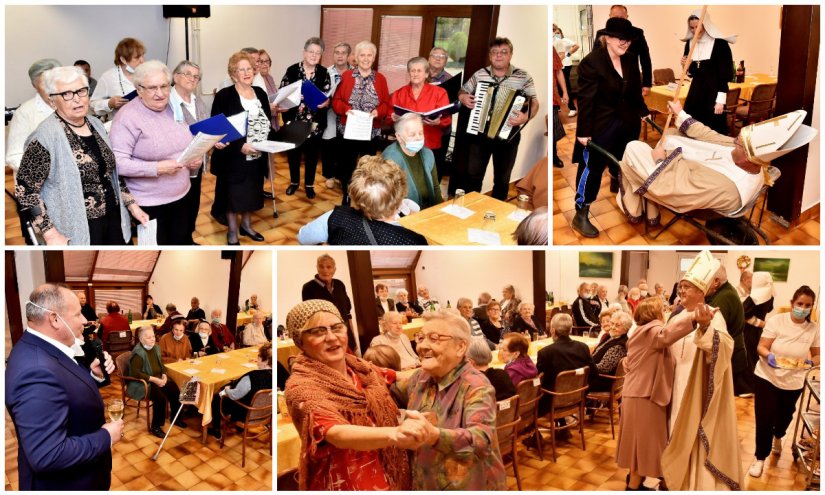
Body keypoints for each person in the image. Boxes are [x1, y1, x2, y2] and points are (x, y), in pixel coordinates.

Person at [284, 299, 424, 490]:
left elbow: (400, 377)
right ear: (300, 341)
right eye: (318, 332)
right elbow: (337, 432)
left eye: (337, 328)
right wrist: (395, 433)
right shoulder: (301, 387)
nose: (332, 337)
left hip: (390, 473)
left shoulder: (361, 369)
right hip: (344, 482)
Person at [617, 100, 816, 227]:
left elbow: (680, 187)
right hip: (694, 172)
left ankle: (640, 207)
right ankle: (651, 210)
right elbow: (712, 136)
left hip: (685, 184)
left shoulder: (727, 187)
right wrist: (681, 113)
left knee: (633, 148)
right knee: (670, 134)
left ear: (747, 157)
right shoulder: (750, 156)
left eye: (737, 143)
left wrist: (661, 158)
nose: (733, 142)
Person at [15, 66, 148, 245]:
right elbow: (26, 191)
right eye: (67, 94)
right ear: (52, 101)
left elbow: (111, 173)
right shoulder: (45, 137)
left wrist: (131, 205)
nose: (77, 99)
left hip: (114, 217)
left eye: (81, 91)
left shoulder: (96, 124)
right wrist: (50, 234)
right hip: (79, 227)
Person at [6, 284, 122, 490]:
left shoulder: (41, 348)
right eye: (78, 314)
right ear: (54, 319)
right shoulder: (35, 371)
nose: (85, 321)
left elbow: (62, 388)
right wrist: (106, 437)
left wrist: (93, 375)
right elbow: (47, 455)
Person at [392, 309, 507, 490]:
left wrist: (434, 435)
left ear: (460, 347)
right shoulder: (419, 378)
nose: (422, 346)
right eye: (421, 338)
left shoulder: (476, 385)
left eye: (434, 338)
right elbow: (391, 394)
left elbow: (482, 438)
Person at [662, 250, 742, 491]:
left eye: (688, 287)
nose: (682, 291)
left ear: (702, 291)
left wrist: (706, 327)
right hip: (676, 385)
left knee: (692, 436)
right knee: (674, 431)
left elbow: (725, 346)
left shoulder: (713, 315)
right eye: (681, 287)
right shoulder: (676, 316)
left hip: (697, 389)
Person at [109, 60, 201, 245]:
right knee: (158, 250)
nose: (159, 94)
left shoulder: (173, 106)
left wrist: (193, 158)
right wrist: (156, 168)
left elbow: (183, 140)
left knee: (181, 245)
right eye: (152, 88)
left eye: (164, 86)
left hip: (182, 194)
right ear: (139, 89)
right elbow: (116, 163)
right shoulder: (127, 117)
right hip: (150, 203)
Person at [572, 17, 649, 237]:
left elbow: (634, 90)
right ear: (607, 38)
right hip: (601, 125)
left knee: (625, 162)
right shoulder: (592, 62)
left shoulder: (631, 59)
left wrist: (642, 110)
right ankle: (581, 213)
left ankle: (625, 198)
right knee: (592, 168)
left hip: (627, 122)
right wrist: (584, 132)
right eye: (621, 39)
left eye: (629, 40)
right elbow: (586, 100)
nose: (625, 43)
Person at [615, 296, 702, 490]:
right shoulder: (652, 331)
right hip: (642, 396)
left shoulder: (640, 330)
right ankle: (633, 487)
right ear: (655, 313)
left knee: (640, 444)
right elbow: (668, 335)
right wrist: (694, 319)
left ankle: (637, 482)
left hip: (638, 393)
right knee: (640, 446)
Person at [748, 286, 820, 478]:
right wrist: (770, 356)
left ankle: (778, 436)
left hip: (794, 381)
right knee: (764, 417)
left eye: (807, 305)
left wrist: (810, 362)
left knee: (785, 417)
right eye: (800, 304)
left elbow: (818, 355)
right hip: (767, 376)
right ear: (792, 303)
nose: (803, 308)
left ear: (811, 307)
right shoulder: (777, 321)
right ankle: (760, 458)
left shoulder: (813, 329)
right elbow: (761, 347)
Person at [457, 37, 540, 200]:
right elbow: (462, 91)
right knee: (473, 176)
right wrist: (463, 98)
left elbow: (534, 103)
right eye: (494, 52)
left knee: (502, 180)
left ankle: (496, 215)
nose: (499, 56)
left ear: (510, 55)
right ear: (490, 56)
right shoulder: (480, 74)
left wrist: (525, 117)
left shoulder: (523, 76)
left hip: (508, 136)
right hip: (479, 133)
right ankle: (471, 209)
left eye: (503, 52)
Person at [209, 52, 275, 245]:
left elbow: (266, 122)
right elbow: (218, 128)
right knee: (232, 195)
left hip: (257, 155)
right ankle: (232, 231)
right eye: (242, 69)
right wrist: (241, 146)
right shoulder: (224, 96)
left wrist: (272, 142)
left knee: (251, 192)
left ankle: (246, 225)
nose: (247, 73)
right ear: (233, 73)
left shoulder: (260, 93)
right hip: (233, 157)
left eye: (249, 68)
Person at [297, 155, 428, 245]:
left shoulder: (337, 216)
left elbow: (302, 236)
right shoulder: (413, 239)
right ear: (401, 196)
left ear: (357, 197)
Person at [332, 40, 391, 206]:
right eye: (362, 55)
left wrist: (378, 112)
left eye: (369, 55)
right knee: (347, 164)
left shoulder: (380, 79)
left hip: (371, 131)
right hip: (348, 129)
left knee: (368, 166)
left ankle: (365, 196)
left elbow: (387, 103)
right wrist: (345, 109)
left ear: (374, 58)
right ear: (356, 58)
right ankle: (347, 193)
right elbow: (335, 100)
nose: (365, 58)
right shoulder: (346, 77)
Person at [279, 37, 331, 199]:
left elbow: (328, 95)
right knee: (294, 154)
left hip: (314, 122)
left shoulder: (324, 72)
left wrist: (326, 102)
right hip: (294, 120)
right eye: (311, 52)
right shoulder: (292, 70)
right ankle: (294, 182)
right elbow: (282, 92)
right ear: (304, 52)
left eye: (318, 53)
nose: (314, 55)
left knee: (312, 155)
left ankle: (309, 185)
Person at [389, 57, 452, 183]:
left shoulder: (440, 92)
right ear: (408, 74)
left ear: (426, 74)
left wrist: (438, 122)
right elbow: (389, 115)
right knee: (406, 180)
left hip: (430, 143)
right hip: (405, 146)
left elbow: (447, 119)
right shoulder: (399, 93)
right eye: (412, 71)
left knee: (428, 180)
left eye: (419, 71)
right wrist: (393, 118)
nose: (415, 74)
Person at [170, 60, 210, 245]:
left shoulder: (197, 100)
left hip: (197, 163)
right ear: (175, 76)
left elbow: (207, 127)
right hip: (175, 166)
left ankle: (187, 238)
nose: (192, 79)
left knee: (193, 204)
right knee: (178, 207)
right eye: (188, 74)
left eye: (196, 77)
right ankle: (178, 241)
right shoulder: (168, 102)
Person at [680, 11, 736, 134]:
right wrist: (685, 66)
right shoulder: (690, 44)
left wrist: (720, 100)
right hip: (696, 92)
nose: (695, 31)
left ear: (706, 25)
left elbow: (725, 74)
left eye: (698, 27)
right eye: (692, 27)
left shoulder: (720, 44)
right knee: (692, 129)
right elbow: (692, 73)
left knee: (713, 130)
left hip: (714, 94)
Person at [208, 342, 273, 440]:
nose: (257, 360)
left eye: (259, 357)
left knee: (217, 397)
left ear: (264, 360)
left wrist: (227, 390)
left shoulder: (251, 377)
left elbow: (235, 395)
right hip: (265, 413)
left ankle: (216, 429)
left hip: (245, 413)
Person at [128, 325, 184, 438]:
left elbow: (161, 365)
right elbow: (136, 373)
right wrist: (155, 380)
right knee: (160, 398)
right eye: (149, 337)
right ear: (141, 339)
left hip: (157, 378)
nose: (152, 339)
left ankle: (175, 417)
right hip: (143, 382)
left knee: (175, 390)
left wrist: (163, 375)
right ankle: (156, 427)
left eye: (153, 336)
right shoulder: (138, 353)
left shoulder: (156, 348)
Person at [6, 58, 61, 173]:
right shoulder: (24, 113)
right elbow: (14, 157)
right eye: (44, 85)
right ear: (34, 86)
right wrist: (49, 170)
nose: (52, 89)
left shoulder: (69, 104)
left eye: (55, 83)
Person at [536, 313, 596, 416]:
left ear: (553, 331)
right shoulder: (583, 347)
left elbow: (539, 381)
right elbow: (594, 373)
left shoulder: (546, 352)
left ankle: (534, 431)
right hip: (578, 397)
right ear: (570, 329)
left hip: (553, 400)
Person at [382, 113, 444, 208]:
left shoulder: (428, 154)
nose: (418, 137)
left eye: (420, 133)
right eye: (412, 134)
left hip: (428, 210)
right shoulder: (391, 158)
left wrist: (440, 211)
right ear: (398, 137)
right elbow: (389, 198)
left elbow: (435, 188)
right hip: (402, 213)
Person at [592, 5, 653, 97]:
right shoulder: (602, 33)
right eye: (615, 18)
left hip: (632, 80)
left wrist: (647, 84)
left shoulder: (637, 33)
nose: (619, 21)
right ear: (610, 17)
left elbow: (645, 59)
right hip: (608, 82)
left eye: (622, 18)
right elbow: (596, 59)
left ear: (627, 17)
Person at [705, 265, 747, 397]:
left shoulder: (725, 296)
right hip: (732, 351)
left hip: (730, 355)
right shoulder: (723, 292)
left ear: (716, 281)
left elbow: (713, 329)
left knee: (720, 399)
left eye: (706, 280)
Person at [302, 254, 356, 352]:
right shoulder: (308, 288)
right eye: (321, 266)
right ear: (317, 268)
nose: (325, 270)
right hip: (326, 336)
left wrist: (352, 337)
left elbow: (347, 312)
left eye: (329, 267)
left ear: (334, 269)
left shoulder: (339, 284)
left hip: (344, 332)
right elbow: (310, 317)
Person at [320, 42, 353, 189]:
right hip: (331, 113)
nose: (339, 56)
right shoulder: (326, 72)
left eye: (343, 53)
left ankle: (342, 175)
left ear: (348, 56)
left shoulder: (354, 73)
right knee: (329, 145)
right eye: (337, 52)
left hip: (348, 114)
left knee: (345, 146)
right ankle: (329, 175)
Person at [90, 37, 145, 121]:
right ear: (123, 59)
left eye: (142, 56)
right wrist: (109, 103)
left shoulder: (147, 73)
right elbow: (93, 105)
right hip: (120, 126)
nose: (142, 61)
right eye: (137, 57)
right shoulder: (108, 77)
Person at [742, 272, 774, 395]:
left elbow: (744, 314)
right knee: (754, 358)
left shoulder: (755, 297)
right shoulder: (770, 294)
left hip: (749, 331)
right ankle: (754, 386)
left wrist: (760, 323)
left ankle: (747, 388)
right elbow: (770, 308)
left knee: (747, 358)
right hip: (759, 332)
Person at [426, 46, 454, 180]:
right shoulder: (420, 76)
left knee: (437, 166)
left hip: (442, 129)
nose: (437, 58)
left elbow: (454, 107)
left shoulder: (451, 79)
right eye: (434, 55)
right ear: (428, 58)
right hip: (422, 128)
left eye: (441, 56)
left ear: (446, 61)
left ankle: (435, 197)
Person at [590, 310, 631, 392]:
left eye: (617, 325)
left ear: (625, 329)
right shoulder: (611, 336)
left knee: (576, 380)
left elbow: (603, 368)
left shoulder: (619, 346)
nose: (612, 327)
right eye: (612, 323)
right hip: (598, 376)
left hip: (603, 381)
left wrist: (586, 365)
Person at [552, 23, 579, 117]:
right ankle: (557, 105)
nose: (555, 33)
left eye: (557, 32)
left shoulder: (562, 41)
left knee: (565, 87)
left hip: (565, 66)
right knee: (558, 88)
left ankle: (572, 108)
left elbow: (576, 46)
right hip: (557, 67)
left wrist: (568, 54)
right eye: (555, 31)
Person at [256, 48, 280, 132]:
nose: (265, 64)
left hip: (274, 119)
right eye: (261, 61)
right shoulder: (254, 80)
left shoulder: (270, 78)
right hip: (261, 123)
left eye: (267, 61)